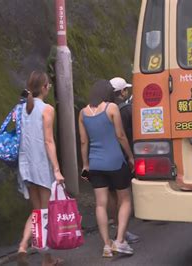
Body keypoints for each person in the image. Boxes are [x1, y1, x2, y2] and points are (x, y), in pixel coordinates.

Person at [79, 79, 135, 258]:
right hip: (115, 161)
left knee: (101, 205)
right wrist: (131, 156)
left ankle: (106, 245)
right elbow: (120, 135)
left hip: (95, 165)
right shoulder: (112, 108)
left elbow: (83, 142)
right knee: (125, 200)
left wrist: (86, 165)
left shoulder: (83, 113)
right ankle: (120, 240)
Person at [16, 70, 65, 266]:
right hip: (41, 166)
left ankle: (23, 246)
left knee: (37, 212)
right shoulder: (47, 109)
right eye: (49, 85)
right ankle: (46, 257)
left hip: (25, 166)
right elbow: (48, 141)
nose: (50, 88)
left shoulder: (20, 108)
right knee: (45, 211)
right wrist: (57, 169)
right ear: (44, 88)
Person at [108, 77, 140, 244]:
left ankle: (116, 227)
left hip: (105, 157)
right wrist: (131, 156)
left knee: (112, 195)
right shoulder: (127, 110)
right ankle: (123, 233)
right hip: (123, 157)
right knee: (124, 196)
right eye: (126, 90)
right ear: (122, 92)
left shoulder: (101, 109)